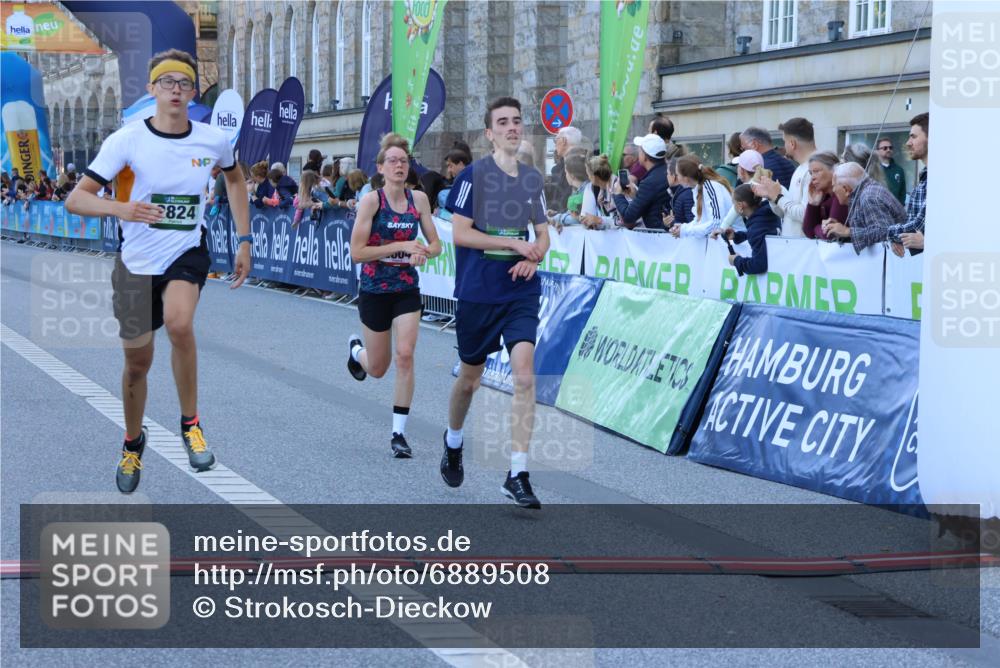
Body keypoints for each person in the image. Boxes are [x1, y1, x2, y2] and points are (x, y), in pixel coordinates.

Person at [65, 48, 252, 493]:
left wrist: (244, 239)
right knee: (137, 364)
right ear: (151, 90)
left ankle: (191, 424)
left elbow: (236, 179)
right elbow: (76, 199)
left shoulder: (211, 140)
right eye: (166, 82)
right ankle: (133, 442)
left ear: (192, 92)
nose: (175, 90)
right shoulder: (126, 140)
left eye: (184, 83)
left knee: (179, 323)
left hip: (185, 251)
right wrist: (122, 208)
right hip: (136, 262)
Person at [443, 96, 550, 509]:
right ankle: (453, 439)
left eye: (516, 121)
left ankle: (518, 472)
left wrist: (534, 255)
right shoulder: (472, 176)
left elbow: (542, 235)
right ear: (489, 133)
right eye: (502, 122)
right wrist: (509, 241)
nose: (511, 127)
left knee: (524, 377)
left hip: (519, 291)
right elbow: (461, 234)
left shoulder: (531, 180)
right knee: (470, 379)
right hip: (478, 290)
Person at [348, 133, 442, 458]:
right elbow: (357, 252)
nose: (399, 166)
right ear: (381, 167)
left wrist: (424, 253)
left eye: (404, 161)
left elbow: (436, 245)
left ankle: (398, 434)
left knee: (405, 355)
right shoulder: (371, 202)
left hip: (405, 288)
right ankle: (356, 353)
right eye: (393, 161)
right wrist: (401, 246)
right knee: (377, 368)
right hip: (375, 290)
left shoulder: (419, 200)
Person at [825, 162, 905, 253]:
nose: (833, 190)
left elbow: (885, 232)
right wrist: (841, 230)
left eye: (834, 186)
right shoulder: (865, 192)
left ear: (846, 189)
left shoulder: (869, 197)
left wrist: (848, 232)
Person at [714, 184, 782, 276]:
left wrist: (736, 260)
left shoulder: (756, 228)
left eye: (734, 204)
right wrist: (737, 236)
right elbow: (762, 235)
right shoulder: (767, 214)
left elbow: (759, 265)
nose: (733, 207)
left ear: (740, 205)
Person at [888, 113, 929, 256]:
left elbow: (917, 226)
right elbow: (911, 225)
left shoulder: (938, 178)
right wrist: (901, 236)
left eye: (913, 136)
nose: (908, 143)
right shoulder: (926, 176)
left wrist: (890, 233)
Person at [611, 134, 671, 230]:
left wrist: (618, 194)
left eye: (640, 149)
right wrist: (635, 195)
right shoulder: (668, 171)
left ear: (645, 157)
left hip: (660, 238)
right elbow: (654, 203)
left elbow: (628, 217)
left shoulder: (649, 182)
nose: (638, 152)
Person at [669, 154, 734, 238]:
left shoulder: (710, 186)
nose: (677, 178)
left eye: (677, 175)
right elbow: (700, 221)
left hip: (734, 242)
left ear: (686, 178)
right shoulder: (699, 188)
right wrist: (683, 228)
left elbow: (716, 223)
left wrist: (685, 231)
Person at [801, 151, 846, 240]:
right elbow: (808, 231)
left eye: (816, 171)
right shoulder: (824, 196)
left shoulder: (841, 194)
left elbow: (829, 234)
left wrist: (816, 228)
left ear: (833, 170)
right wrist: (813, 204)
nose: (812, 177)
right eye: (811, 173)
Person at [547, 147, 589, 231]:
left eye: (566, 172)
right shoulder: (578, 191)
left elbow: (577, 219)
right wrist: (557, 214)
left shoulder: (587, 192)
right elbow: (573, 214)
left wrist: (556, 218)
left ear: (572, 175)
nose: (565, 175)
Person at [579, 154, 618, 230]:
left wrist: (599, 220)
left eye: (588, 174)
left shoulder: (617, 187)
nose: (588, 177)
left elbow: (623, 222)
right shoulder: (603, 190)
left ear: (594, 176)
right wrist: (587, 220)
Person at [548, 126, 582, 210]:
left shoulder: (581, 166)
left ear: (563, 141)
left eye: (556, 140)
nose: (555, 144)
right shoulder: (558, 168)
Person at [664, 157, 695, 228]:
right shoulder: (679, 193)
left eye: (668, 173)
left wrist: (672, 223)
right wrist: (667, 223)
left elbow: (692, 223)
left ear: (674, 176)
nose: (666, 176)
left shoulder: (687, 195)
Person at [876, 137, 907, 205]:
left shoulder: (899, 170)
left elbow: (902, 192)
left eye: (890, 148)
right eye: (885, 148)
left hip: (895, 211)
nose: (888, 150)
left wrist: (900, 207)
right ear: (877, 151)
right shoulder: (873, 169)